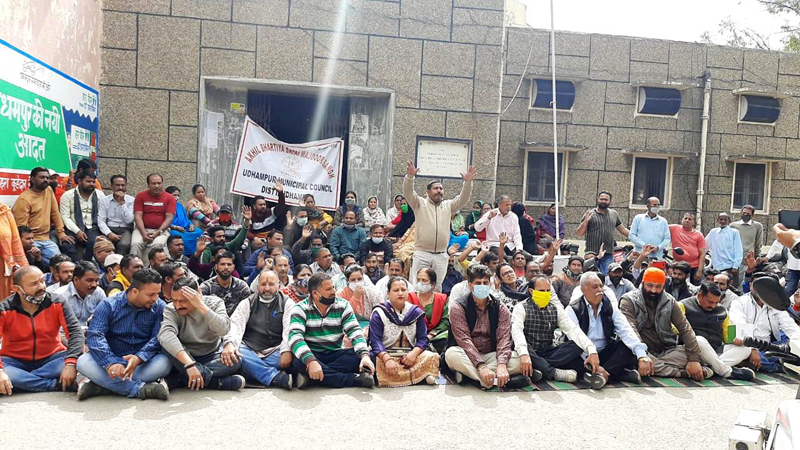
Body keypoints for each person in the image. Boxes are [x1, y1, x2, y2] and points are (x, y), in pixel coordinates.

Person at [76, 269, 172, 400]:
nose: (155, 299)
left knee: (165, 362)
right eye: (151, 295)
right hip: (111, 361)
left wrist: (139, 358)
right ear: (134, 291)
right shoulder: (108, 305)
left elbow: (158, 338)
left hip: (142, 364)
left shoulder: (159, 306)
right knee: (83, 362)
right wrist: (111, 363)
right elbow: (95, 335)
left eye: (157, 294)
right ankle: (138, 389)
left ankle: (102, 385)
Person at [0, 266, 83, 395]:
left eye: (42, 281)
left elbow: (75, 333)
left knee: (81, 361)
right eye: (34, 284)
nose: (41, 287)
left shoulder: (57, 302)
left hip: (52, 359)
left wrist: (71, 364)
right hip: (13, 361)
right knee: (5, 372)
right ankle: (54, 385)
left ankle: (21, 382)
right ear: (17, 289)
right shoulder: (4, 309)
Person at [442, 265, 527, 390]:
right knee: (452, 354)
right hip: (466, 354)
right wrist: (481, 366)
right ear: (470, 285)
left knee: (519, 360)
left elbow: (504, 337)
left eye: (485, 282)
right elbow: (464, 341)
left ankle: (473, 377)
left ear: (490, 284)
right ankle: (493, 380)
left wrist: (502, 364)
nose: (482, 286)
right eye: (478, 283)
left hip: (491, 354)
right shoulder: (458, 307)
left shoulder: (500, 307)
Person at [619, 268, 709, 380]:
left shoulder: (669, 301)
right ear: (642, 283)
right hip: (641, 350)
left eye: (658, 287)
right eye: (650, 285)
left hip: (666, 350)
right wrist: (642, 355)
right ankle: (681, 373)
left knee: (697, 352)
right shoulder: (628, 300)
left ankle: (649, 368)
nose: (653, 290)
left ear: (663, 286)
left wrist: (693, 360)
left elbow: (685, 328)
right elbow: (630, 330)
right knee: (631, 355)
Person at [288, 273, 376, 388]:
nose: (333, 291)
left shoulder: (343, 305)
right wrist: (311, 361)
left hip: (335, 353)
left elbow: (354, 331)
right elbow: (295, 337)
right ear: (315, 293)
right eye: (328, 289)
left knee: (368, 356)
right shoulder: (300, 309)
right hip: (312, 353)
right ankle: (353, 380)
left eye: (333, 287)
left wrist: (364, 355)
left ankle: (312, 378)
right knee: (299, 362)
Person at [158, 277, 245, 392]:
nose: (177, 306)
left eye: (183, 301)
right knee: (166, 345)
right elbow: (165, 335)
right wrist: (189, 364)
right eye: (174, 300)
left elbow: (223, 329)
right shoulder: (170, 309)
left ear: (198, 293)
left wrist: (200, 306)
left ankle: (180, 379)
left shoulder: (215, 303)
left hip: (210, 355)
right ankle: (216, 383)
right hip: (184, 357)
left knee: (235, 360)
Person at [564, 273, 650, 387]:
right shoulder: (572, 309)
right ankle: (616, 374)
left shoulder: (610, 307)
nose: (600, 290)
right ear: (583, 289)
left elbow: (626, 330)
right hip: (583, 354)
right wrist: (591, 360)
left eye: (601, 286)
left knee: (627, 347)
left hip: (604, 352)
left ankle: (600, 375)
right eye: (595, 287)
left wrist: (642, 356)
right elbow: (577, 338)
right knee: (570, 354)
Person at [404, 161, 476, 291]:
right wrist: (409, 177)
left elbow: (463, 199)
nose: (439, 191)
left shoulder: (448, 205)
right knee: (418, 287)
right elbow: (408, 193)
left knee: (437, 288)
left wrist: (467, 183)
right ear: (427, 192)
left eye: (441, 188)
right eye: (435, 188)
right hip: (422, 253)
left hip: (441, 255)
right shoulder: (419, 204)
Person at [221, 270, 294, 389]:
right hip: (250, 350)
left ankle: (252, 372)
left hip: (276, 351)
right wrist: (230, 345)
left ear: (278, 286)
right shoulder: (247, 303)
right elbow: (235, 326)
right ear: (258, 286)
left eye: (271, 284)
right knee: (232, 352)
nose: (267, 288)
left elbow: (289, 329)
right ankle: (275, 377)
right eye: (263, 284)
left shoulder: (287, 303)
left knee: (294, 352)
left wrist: (286, 350)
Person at [370, 277, 440, 387]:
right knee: (374, 360)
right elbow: (375, 341)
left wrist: (414, 354)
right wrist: (387, 359)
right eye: (396, 290)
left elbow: (423, 339)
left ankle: (397, 378)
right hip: (386, 354)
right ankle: (420, 376)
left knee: (432, 356)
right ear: (388, 293)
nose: (400, 293)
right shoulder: (379, 312)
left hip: (409, 356)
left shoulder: (416, 312)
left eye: (403, 290)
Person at [679, 282, 755, 381]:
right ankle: (727, 372)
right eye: (710, 302)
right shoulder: (682, 305)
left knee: (746, 348)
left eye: (716, 302)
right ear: (700, 295)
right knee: (698, 339)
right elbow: (675, 329)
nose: (714, 306)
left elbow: (729, 336)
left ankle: (711, 369)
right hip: (693, 351)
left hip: (716, 351)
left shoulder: (722, 310)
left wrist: (737, 339)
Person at [725, 272, 800, 371]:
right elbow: (740, 327)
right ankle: (778, 364)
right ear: (751, 285)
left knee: (790, 346)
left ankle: (752, 363)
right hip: (746, 345)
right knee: (744, 352)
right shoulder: (739, 302)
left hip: (770, 347)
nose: (759, 289)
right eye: (756, 285)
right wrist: (753, 350)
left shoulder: (776, 304)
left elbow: (791, 327)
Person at [12, 167, 72, 264]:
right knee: (47, 265)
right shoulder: (24, 199)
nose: (45, 180)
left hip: (46, 239)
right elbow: (21, 229)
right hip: (32, 240)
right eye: (42, 177)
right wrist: (30, 245)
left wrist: (61, 233)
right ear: (32, 179)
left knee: (62, 264)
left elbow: (55, 212)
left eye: (47, 178)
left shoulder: (48, 190)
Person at [576, 191, 629, 275]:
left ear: (610, 201)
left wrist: (637, 237)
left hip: (608, 253)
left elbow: (623, 230)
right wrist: (585, 222)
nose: (603, 201)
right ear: (597, 199)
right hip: (592, 254)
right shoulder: (590, 214)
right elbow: (579, 233)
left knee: (606, 277)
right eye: (601, 199)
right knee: (591, 277)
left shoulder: (614, 214)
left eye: (606, 199)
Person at [59, 170, 106, 262]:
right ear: (80, 181)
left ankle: (86, 264)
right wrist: (78, 231)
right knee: (67, 245)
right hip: (73, 228)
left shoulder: (100, 195)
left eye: (93, 182)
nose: (91, 184)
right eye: (88, 181)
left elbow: (102, 215)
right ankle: (78, 264)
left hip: (93, 227)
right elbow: (65, 217)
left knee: (94, 243)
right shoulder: (68, 195)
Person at [131, 174, 176, 265]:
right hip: (141, 229)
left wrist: (157, 232)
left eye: (159, 183)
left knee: (157, 245)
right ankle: (134, 269)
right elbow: (137, 216)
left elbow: (169, 218)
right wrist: (144, 233)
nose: (157, 186)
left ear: (162, 184)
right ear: (148, 185)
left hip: (161, 230)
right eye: (153, 183)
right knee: (136, 243)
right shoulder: (140, 196)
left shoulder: (170, 198)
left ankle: (149, 270)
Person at [407, 268, 449, 353]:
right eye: (418, 280)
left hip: (435, 336)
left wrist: (431, 335)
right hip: (414, 335)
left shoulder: (441, 299)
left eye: (424, 280)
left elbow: (445, 321)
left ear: (433, 284)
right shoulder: (409, 298)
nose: (420, 283)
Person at [54, 261, 106, 328]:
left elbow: (105, 318)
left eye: (96, 280)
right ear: (76, 280)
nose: (94, 285)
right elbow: (56, 326)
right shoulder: (60, 296)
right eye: (89, 280)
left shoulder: (99, 292)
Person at [200, 251, 252, 316]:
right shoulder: (206, 287)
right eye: (222, 264)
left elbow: (248, 309)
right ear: (216, 266)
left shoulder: (242, 286)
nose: (226, 267)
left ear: (233, 267)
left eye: (229, 264)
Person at [96, 175, 134, 257]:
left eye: (123, 185)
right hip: (109, 227)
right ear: (111, 186)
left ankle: (118, 266)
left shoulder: (132, 200)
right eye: (117, 185)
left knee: (124, 244)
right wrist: (109, 233)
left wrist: (122, 203)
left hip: (125, 229)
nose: (120, 187)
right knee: (104, 246)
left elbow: (129, 220)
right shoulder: (104, 200)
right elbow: (101, 220)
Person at [335, 265, 381, 329]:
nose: (357, 282)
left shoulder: (373, 294)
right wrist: (355, 298)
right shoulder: (340, 294)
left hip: (371, 327)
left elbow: (379, 314)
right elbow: (341, 316)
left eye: (359, 279)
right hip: (347, 328)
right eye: (353, 280)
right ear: (347, 281)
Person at [163, 186, 204, 256]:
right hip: (173, 228)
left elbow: (186, 219)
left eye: (178, 195)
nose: (177, 197)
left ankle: (195, 254)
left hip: (185, 228)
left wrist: (191, 225)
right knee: (176, 235)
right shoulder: (164, 206)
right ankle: (182, 254)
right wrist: (175, 227)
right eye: (174, 195)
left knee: (199, 232)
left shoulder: (180, 206)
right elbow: (164, 221)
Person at [730, 205, 764, 286]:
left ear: (752, 215)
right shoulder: (733, 226)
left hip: (747, 259)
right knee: (732, 282)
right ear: (740, 213)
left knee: (744, 283)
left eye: (748, 214)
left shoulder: (757, 226)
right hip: (734, 259)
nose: (745, 215)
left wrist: (756, 259)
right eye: (744, 213)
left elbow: (758, 244)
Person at [668, 212, 706, 284]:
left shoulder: (699, 235)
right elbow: (661, 227)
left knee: (698, 288)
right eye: (685, 218)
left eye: (690, 219)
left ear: (694, 222)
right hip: (678, 266)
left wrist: (700, 271)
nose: (687, 220)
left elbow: (702, 254)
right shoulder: (674, 228)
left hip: (694, 267)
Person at [705, 212, 743, 283]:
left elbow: (738, 250)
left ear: (729, 221)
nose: (723, 221)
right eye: (721, 219)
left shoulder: (734, 232)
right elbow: (705, 246)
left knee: (731, 288)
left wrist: (735, 266)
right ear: (717, 220)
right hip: (716, 267)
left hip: (730, 267)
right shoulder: (713, 232)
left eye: (725, 219)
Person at [248, 181, 287, 246]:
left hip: (272, 242)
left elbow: (281, 206)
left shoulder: (271, 212)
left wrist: (280, 193)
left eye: (264, 204)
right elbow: (247, 232)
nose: (263, 206)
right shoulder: (250, 216)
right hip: (258, 242)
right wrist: (254, 238)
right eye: (260, 205)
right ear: (254, 206)